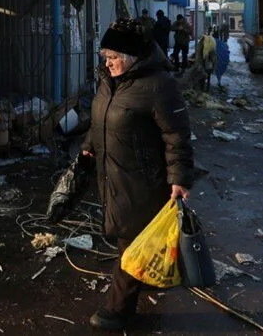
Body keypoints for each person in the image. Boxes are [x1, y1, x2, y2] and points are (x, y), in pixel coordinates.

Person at [81, 19, 194, 331]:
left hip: (144, 180)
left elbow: (177, 136)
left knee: (131, 246)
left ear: (132, 57)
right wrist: (89, 145)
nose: (108, 63)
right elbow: (101, 118)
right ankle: (143, 279)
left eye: (113, 57)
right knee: (125, 236)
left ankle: (117, 310)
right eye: (105, 57)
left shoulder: (159, 85)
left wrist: (179, 178)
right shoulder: (110, 80)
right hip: (112, 174)